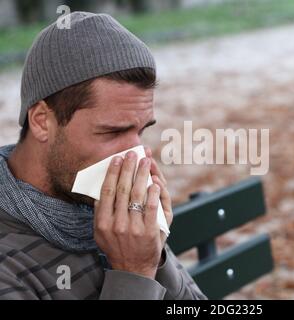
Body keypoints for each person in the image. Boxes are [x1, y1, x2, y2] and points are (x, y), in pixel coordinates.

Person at [0, 11, 207, 300]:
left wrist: (154, 254)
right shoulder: (9, 261)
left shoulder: (112, 210)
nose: (137, 157)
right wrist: (133, 273)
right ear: (41, 121)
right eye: (112, 133)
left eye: (141, 131)